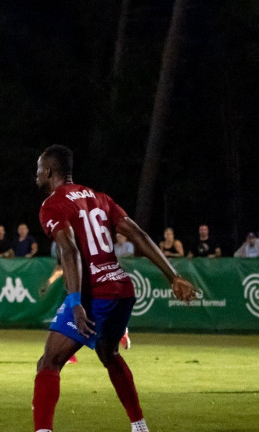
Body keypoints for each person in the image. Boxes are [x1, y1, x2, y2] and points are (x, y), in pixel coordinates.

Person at [32, 145, 198, 432]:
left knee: (48, 363)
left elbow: (69, 251)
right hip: (122, 290)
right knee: (109, 354)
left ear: (48, 171)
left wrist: (76, 302)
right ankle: (139, 426)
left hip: (95, 294)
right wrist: (173, 276)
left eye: (38, 169)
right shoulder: (100, 198)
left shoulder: (52, 204)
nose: (35, 175)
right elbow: (138, 234)